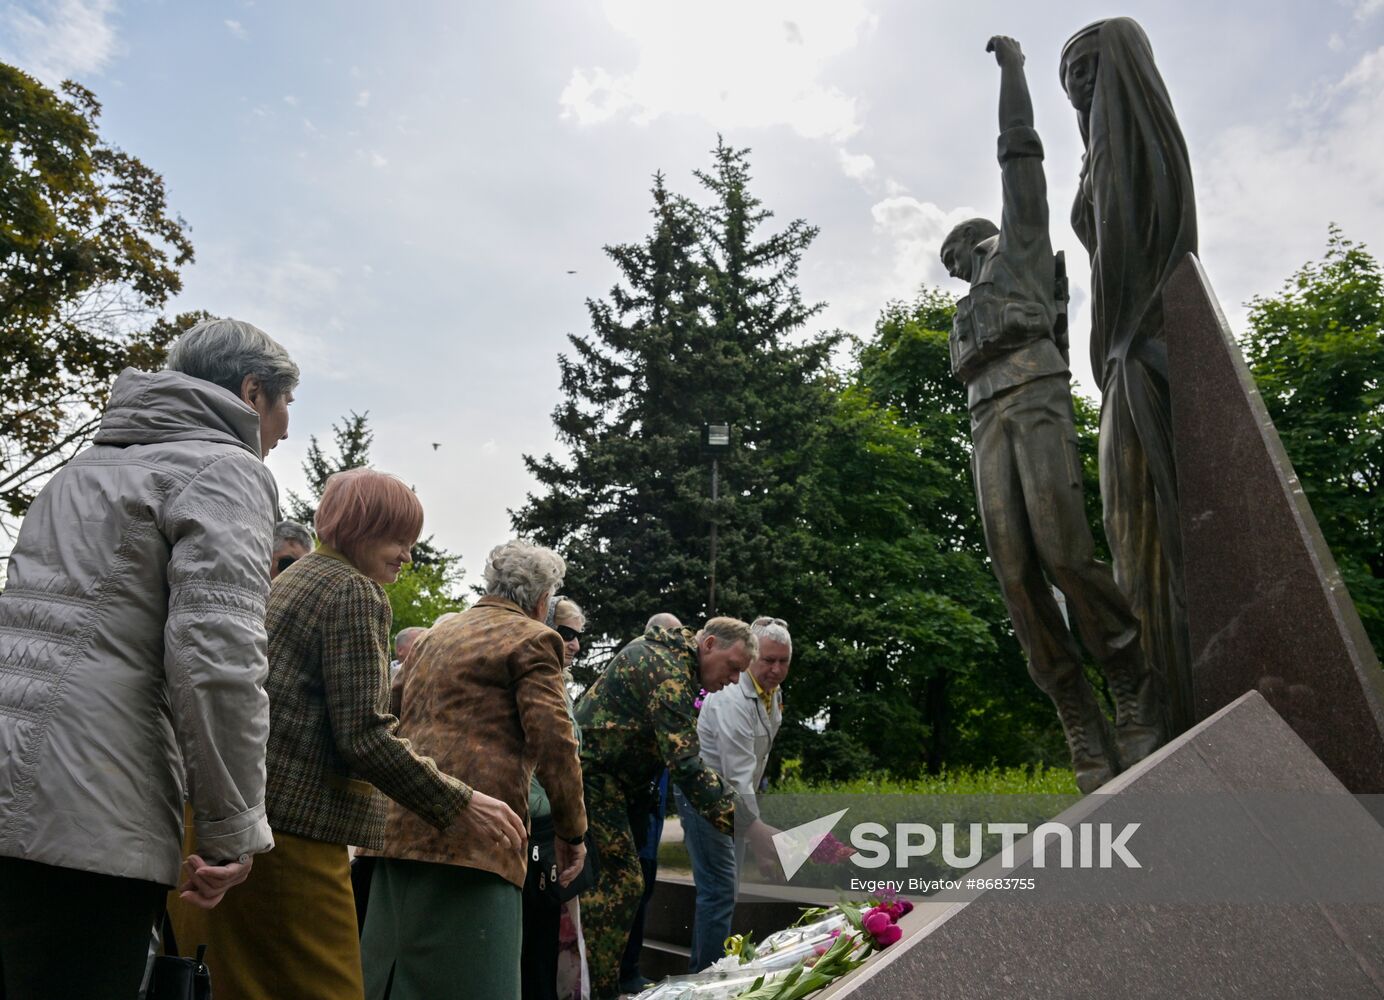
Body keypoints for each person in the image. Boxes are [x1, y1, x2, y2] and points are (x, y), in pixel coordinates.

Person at [0, 317, 297, 999]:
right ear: (253, 394)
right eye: (285, 408)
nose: (283, 431)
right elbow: (217, 661)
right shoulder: (226, 469)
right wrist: (231, 828)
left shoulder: (80, 472)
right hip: (89, 807)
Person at [176, 468, 523, 1000]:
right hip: (293, 838)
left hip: (235, 817)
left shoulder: (294, 578)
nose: (407, 555)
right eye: (398, 538)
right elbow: (362, 735)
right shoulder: (354, 591)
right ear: (363, 526)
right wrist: (461, 803)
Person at [938, 35, 1163, 792]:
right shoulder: (968, 306)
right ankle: (1075, 707)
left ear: (974, 241)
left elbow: (1019, 156)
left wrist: (1013, 71)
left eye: (956, 256)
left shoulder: (1021, 248)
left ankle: (1128, 674)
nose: (956, 271)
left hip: (1035, 399)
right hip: (983, 420)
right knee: (1014, 572)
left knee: (1065, 553)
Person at [362, 541, 587, 1000]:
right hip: (478, 843)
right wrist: (572, 833)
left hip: (398, 835)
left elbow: (388, 713)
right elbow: (555, 742)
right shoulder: (533, 638)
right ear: (542, 600)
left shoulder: (433, 637)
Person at [1061, 17, 1197, 734]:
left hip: (1141, 349)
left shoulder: (1137, 141)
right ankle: (1162, 711)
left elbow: (1139, 250)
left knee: (1148, 533)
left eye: (1087, 68)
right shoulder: (1097, 158)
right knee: (1128, 536)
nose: (1079, 87)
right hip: (1119, 354)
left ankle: (1177, 705)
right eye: (1069, 78)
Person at [575, 617, 754, 999]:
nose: (735, 679)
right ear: (708, 645)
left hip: (616, 784)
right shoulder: (668, 672)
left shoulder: (674, 661)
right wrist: (750, 828)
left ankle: (596, 984)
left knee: (621, 882)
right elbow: (687, 765)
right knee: (620, 885)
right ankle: (592, 989)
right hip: (593, 778)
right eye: (734, 667)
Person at [681, 616, 793, 971]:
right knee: (719, 892)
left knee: (724, 891)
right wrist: (760, 841)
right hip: (706, 799)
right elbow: (739, 776)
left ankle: (706, 976)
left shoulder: (771, 694)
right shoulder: (732, 695)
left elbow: (754, 768)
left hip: (732, 802)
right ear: (753, 656)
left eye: (783, 661)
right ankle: (708, 980)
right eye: (768, 660)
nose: (776, 669)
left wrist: (756, 840)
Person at [617, 613, 682, 995]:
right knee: (630, 892)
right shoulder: (643, 676)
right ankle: (623, 974)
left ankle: (631, 970)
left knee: (646, 890)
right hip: (630, 815)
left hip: (654, 816)